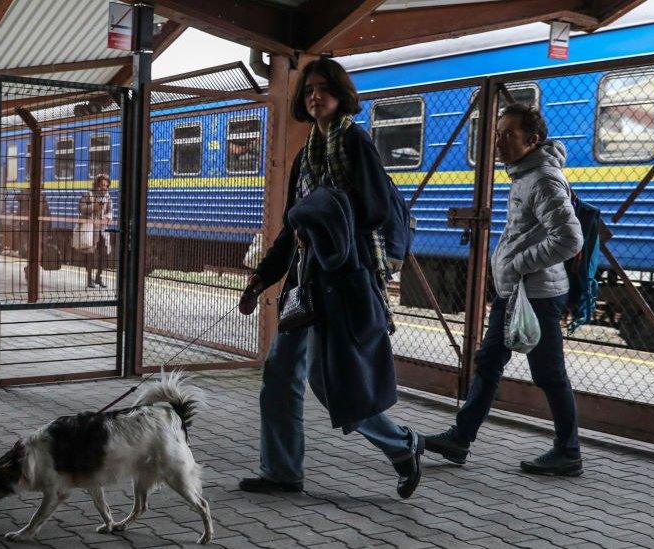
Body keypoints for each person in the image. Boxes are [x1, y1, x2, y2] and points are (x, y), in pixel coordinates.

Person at [237, 58, 424, 499]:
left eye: (323, 88)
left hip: (342, 282)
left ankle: (402, 446)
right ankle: (282, 472)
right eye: (307, 91)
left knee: (329, 382)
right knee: (280, 374)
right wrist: (260, 279)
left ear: (341, 94)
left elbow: (375, 208)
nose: (314, 96)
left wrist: (322, 211)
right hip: (305, 284)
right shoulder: (305, 157)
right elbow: (291, 227)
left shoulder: (355, 143)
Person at [425, 103, 584, 476]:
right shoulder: (524, 175)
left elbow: (570, 238)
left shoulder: (542, 180)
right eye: (496, 133)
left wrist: (517, 265)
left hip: (538, 296)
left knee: (548, 374)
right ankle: (460, 439)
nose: (497, 141)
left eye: (506, 134)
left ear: (531, 140)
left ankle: (569, 451)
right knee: (488, 363)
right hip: (518, 293)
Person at [79, 173, 113, 288]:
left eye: (107, 186)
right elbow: (81, 208)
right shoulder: (89, 195)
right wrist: (94, 207)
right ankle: (89, 279)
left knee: (104, 254)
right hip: (90, 230)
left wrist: (107, 217)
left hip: (102, 230)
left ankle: (99, 277)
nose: (105, 188)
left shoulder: (107, 197)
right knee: (91, 255)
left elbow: (110, 212)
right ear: (97, 184)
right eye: (103, 185)